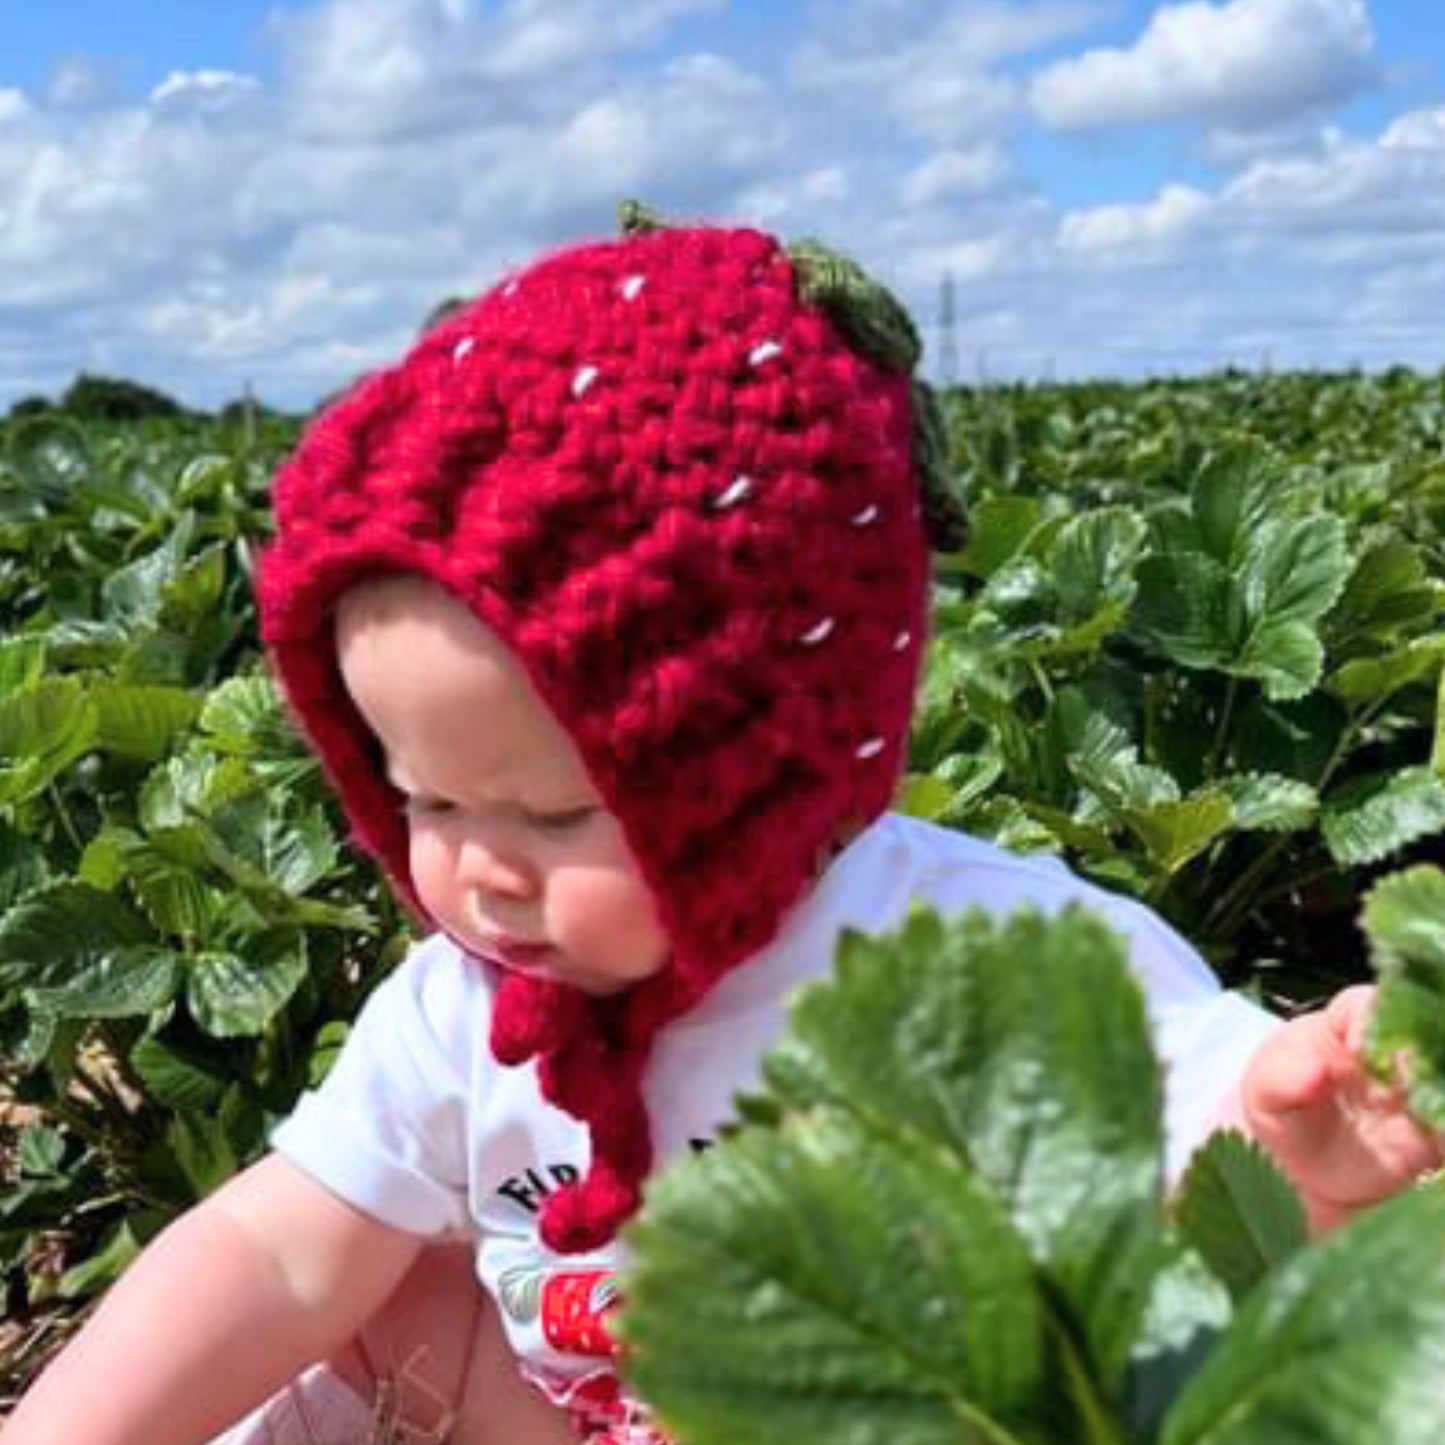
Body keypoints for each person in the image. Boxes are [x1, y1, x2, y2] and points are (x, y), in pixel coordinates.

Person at [5, 210, 1440, 1445]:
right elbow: (280, 1249)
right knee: (382, 1296)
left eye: (555, 809)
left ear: (762, 775)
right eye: (423, 796)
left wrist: (1295, 1145)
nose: (477, 868)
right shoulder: (468, 1003)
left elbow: (1182, 1134)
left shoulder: (972, 959)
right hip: (577, 1407)